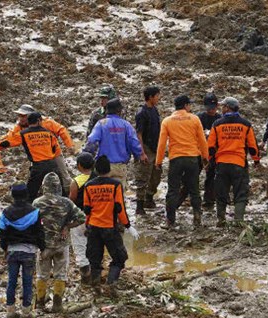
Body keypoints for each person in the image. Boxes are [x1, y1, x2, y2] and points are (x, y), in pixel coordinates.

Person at [83, 156, 138, 292]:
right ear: (109, 170)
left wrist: (87, 225)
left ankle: (95, 284)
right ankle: (110, 284)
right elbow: (120, 208)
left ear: (96, 169)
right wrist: (128, 226)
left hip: (94, 227)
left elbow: (87, 209)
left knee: (94, 259)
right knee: (119, 258)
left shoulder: (88, 186)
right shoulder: (115, 185)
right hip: (109, 228)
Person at [33, 172, 85, 312]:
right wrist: (67, 227)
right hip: (62, 244)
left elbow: (32, 222)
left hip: (44, 246)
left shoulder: (37, 203)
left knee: (42, 275)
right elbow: (82, 218)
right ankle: (57, 304)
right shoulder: (66, 202)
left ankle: (40, 304)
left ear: (44, 186)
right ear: (59, 187)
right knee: (60, 274)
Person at [155, 95, 209, 228]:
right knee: (194, 189)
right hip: (192, 158)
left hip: (176, 159)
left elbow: (162, 144)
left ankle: (170, 221)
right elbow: (202, 140)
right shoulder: (194, 119)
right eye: (189, 104)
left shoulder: (167, 121)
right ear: (185, 105)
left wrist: (158, 161)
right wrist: (205, 158)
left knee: (173, 190)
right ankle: (197, 218)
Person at [0, 104, 75, 194]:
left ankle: (69, 195)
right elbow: (8, 138)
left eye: (24, 116)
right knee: (36, 177)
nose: (21, 119)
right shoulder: (19, 127)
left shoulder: (46, 123)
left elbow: (61, 130)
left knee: (63, 175)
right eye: (19, 116)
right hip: (37, 157)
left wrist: (70, 145)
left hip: (54, 154)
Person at [207, 97, 259, 226]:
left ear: (227, 108)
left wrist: (208, 161)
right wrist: (256, 161)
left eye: (223, 106)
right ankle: (238, 221)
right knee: (240, 193)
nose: (221, 109)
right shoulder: (246, 124)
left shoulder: (217, 124)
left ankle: (221, 220)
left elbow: (211, 147)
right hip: (239, 163)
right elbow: (253, 146)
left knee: (221, 193)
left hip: (222, 163)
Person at [0, 183, 45, 318]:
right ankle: (26, 311)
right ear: (26, 195)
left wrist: (5, 249)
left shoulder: (6, 213)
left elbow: (2, 233)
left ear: (12, 196)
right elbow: (39, 233)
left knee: (11, 281)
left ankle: (10, 312)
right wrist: (42, 248)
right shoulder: (35, 212)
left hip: (12, 251)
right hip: (29, 251)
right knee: (27, 281)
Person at [85, 98, 147, 188]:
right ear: (119, 111)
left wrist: (87, 156)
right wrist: (140, 155)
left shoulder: (101, 124)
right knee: (119, 195)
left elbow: (91, 142)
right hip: (120, 166)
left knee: (104, 194)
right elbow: (134, 142)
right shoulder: (126, 125)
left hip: (103, 167)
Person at [13, 112, 61, 201]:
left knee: (30, 194)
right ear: (39, 121)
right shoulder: (48, 133)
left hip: (38, 167)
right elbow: (55, 148)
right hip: (52, 165)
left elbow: (8, 142)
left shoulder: (23, 133)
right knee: (58, 191)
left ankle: (29, 211)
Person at [133, 86, 162, 214]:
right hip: (146, 147)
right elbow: (139, 133)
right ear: (150, 97)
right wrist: (142, 152)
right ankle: (139, 206)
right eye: (157, 96)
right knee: (143, 176)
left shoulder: (154, 110)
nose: (158, 98)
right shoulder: (142, 113)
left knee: (156, 175)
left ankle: (149, 199)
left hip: (155, 147)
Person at [69, 152, 94, 283]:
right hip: (96, 216)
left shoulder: (76, 181)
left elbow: (71, 200)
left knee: (79, 244)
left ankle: (85, 275)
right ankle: (96, 271)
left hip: (80, 216)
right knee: (95, 244)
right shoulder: (98, 178)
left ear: (79, 166)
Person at [196, 93, 222, 208]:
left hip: (213, 152)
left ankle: (209, 200)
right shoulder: (199, 118)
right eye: (209, 108)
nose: (211, 110)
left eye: (214, 107)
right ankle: (193, 198)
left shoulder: (220, 119)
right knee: (193, 175)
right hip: (198, 151)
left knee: (211, 176)